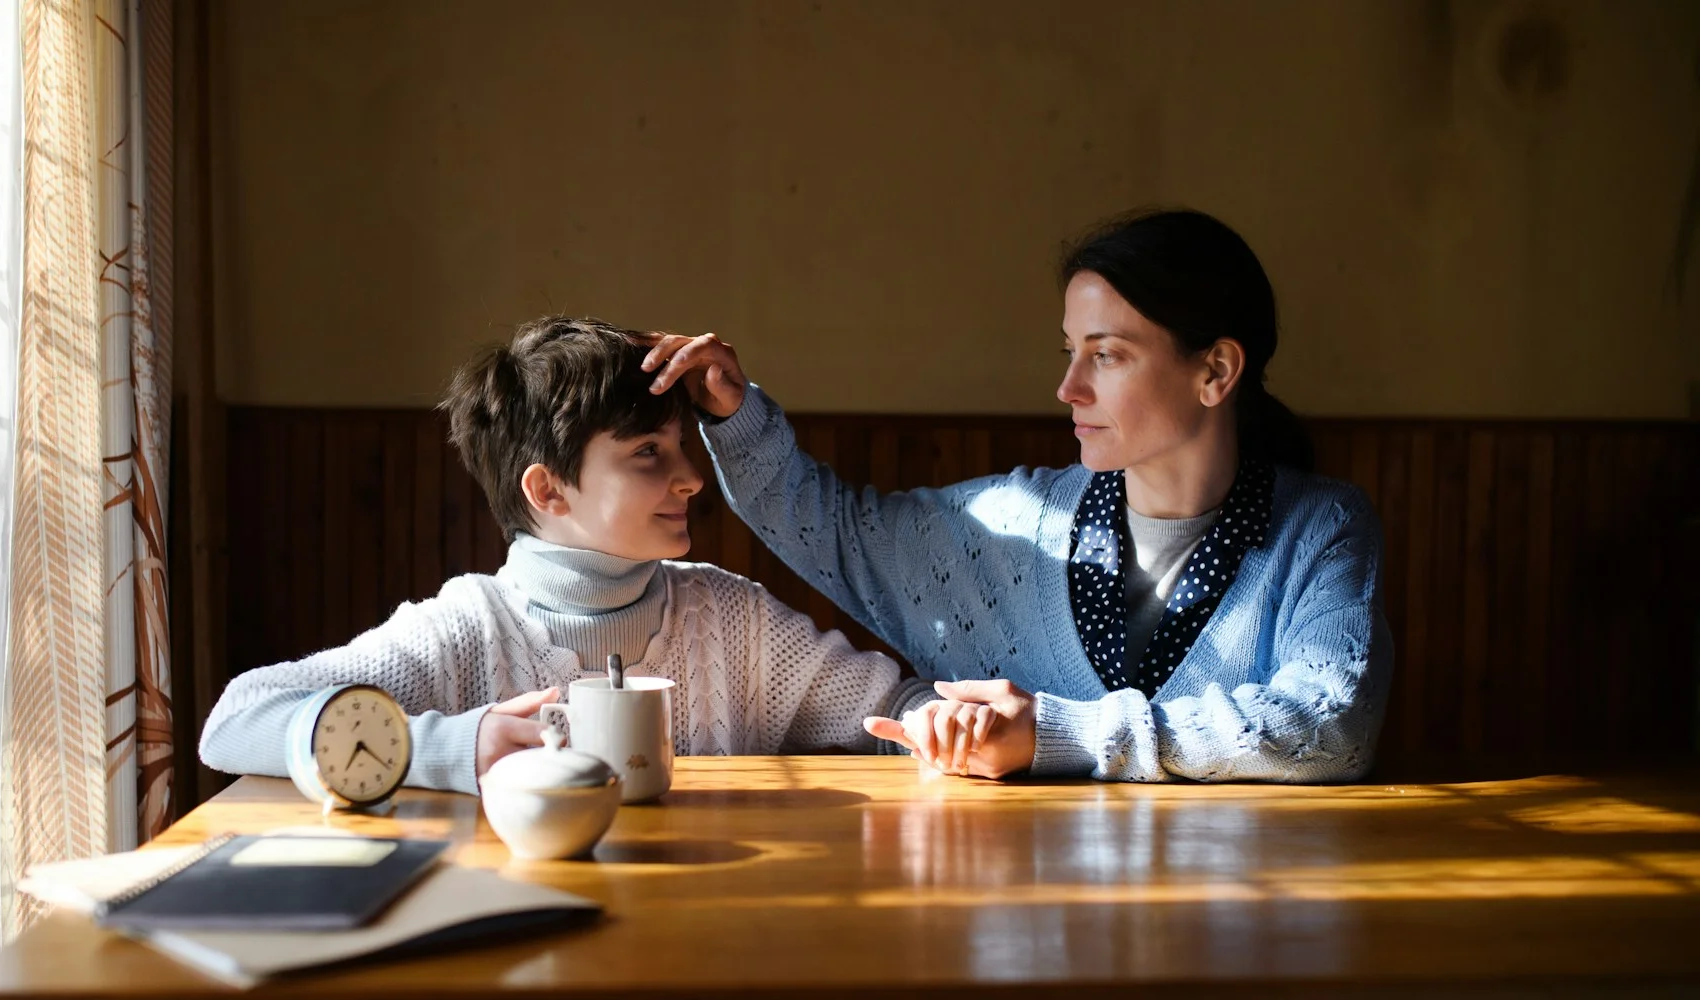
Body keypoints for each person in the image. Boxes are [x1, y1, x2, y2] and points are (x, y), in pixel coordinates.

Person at [644, 209, 1392, 783]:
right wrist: (733, 417)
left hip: (1235, 939)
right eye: (1071, 352)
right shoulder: (1013, 527)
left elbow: (1331, 725)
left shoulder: (1319, 528)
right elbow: (835, 530)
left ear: (1217, 371)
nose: (1069, 388)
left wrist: (1054, 733)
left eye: (1107, 355)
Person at [198, 316, 932, 793]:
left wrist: (945, 725)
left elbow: (894, 713)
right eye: (649, 452)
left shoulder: (731, 617)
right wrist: (455, 745)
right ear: (548, 490)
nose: (692, 478)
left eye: (682, 446)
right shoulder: (462, 632)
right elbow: (237, 718)